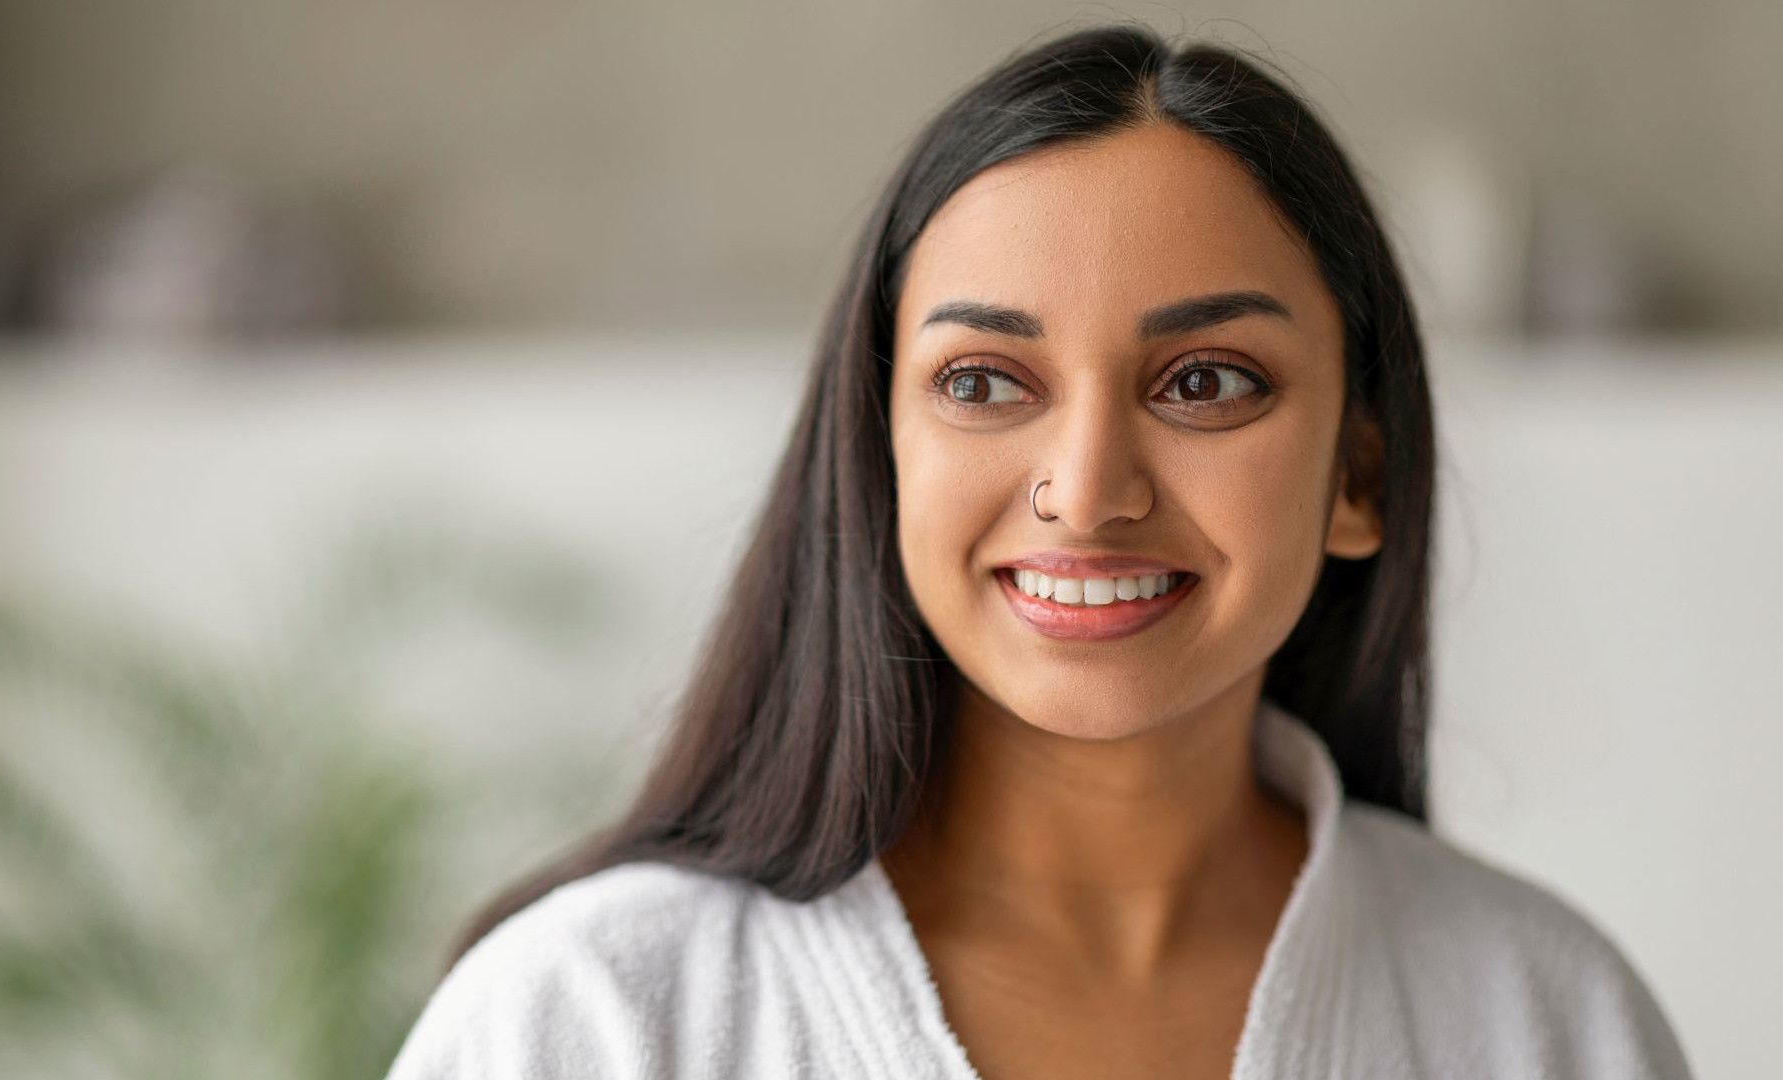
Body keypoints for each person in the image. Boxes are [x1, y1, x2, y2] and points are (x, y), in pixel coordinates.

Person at [383, 21, 1693, 1080]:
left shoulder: (1548, 1023)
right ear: (877, 452)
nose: (1086, 490)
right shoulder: (589, 1024)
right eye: (984, 383)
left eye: (1208, 381)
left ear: (1359, 473)